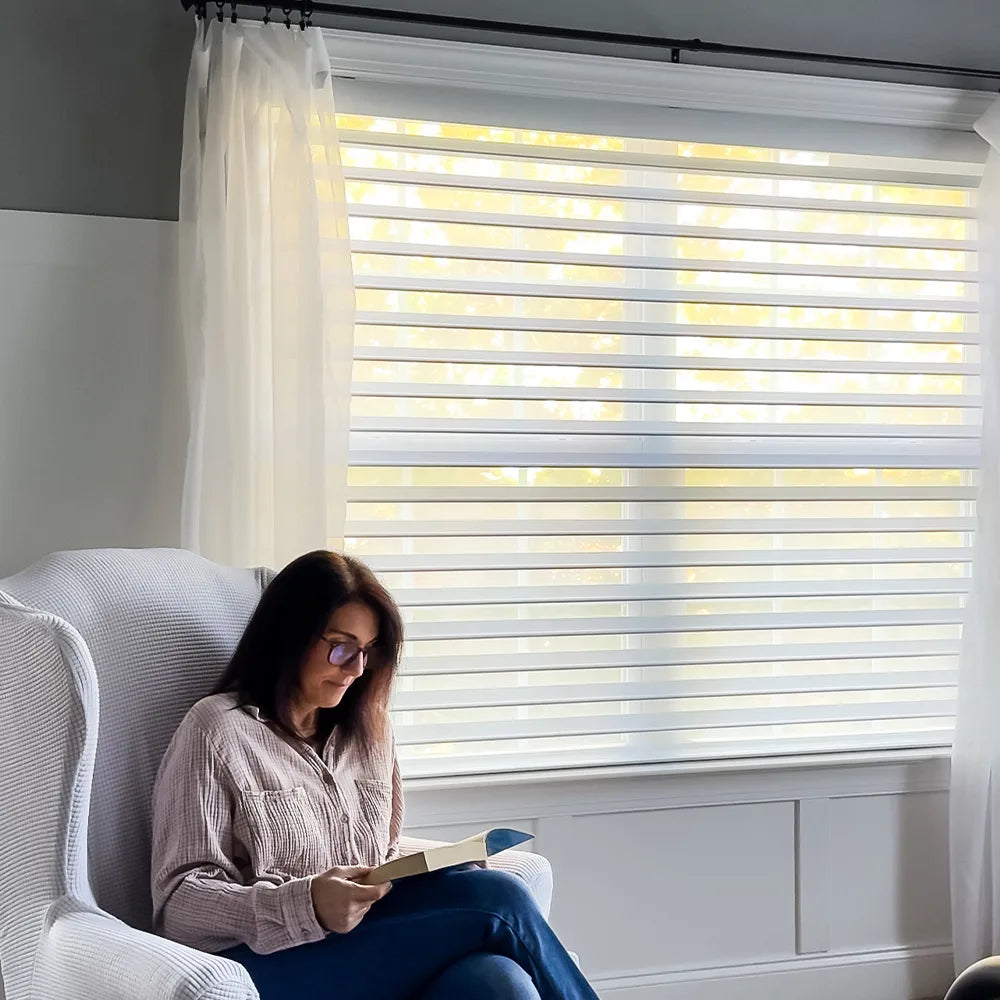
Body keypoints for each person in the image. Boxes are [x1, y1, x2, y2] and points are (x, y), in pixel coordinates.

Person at [151, 550, 598, 1000]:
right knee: (499, 899)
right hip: (268, 967)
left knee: (501, 981)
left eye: (367, 652)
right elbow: (179, 906)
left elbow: (379, 855)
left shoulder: (371, 732)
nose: (357, 670)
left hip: (369, 949)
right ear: (289, 637)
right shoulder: (217, 731)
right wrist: (304, 904)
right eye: (341, 647)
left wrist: (437, 876)